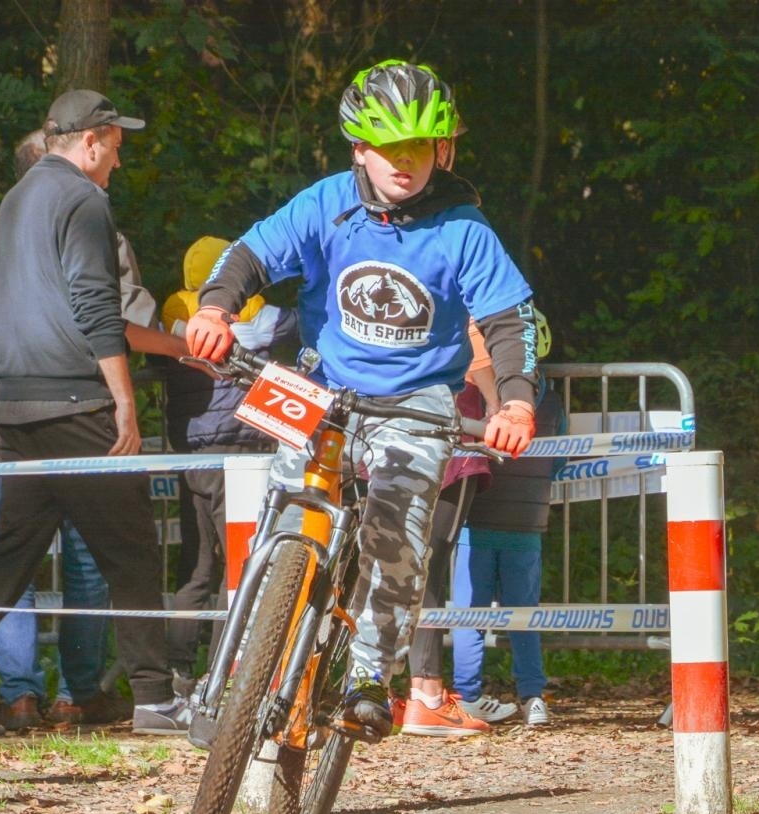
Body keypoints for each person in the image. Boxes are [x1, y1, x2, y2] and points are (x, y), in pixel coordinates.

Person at [185, 60, 542, 747]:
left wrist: (517, 405)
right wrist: (214, 309)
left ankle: (370, 679)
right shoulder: (324, 205)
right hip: (322, 389)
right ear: (359, 148)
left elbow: (509, 322)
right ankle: (236, 671)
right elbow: (249, 256)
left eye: (417, 148)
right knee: (281, 514)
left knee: (397, 530)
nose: (403, 164)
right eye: (388, 149)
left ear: (439, 149)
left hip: (416, 401)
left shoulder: (463, 228)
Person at [0, 89, 183, 739]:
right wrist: (124, 402)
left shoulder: (19, 198)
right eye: (115, 149)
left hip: (16, 403)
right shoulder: (85, 200)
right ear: (90, 142)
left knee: (11, 554)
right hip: (74, 397)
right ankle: (155, 698)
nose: (118, 163)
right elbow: (94, 304)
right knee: (133, 551)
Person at [158, 235, 297, 690]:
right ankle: (224, 668)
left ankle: (177, 667)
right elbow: (303, 327)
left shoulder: (172, 318)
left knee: (196, 564)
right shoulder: (264, 317)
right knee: (239, 560)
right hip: (246, 453)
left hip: (192, 454)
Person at [396, 320, 500, 737]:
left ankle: (372, 686)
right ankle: (427, 695)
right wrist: (497, 405)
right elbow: (477, 356)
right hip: (447, 442)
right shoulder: (456, 277)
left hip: (386, 436)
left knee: (387, 563)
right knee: (429, 568)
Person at [451, 351, 565, 729]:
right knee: (524, 617)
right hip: (528, 520)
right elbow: (560, 461)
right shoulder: (551, 402)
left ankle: (466, 697)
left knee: (470, 616)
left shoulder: (474, 395)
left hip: (475, 519)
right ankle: (533, 697)